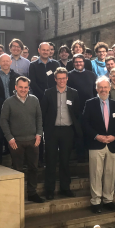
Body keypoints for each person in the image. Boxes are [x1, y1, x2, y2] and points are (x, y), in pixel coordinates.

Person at [82, 76, 115, 213]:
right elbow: (85, 124)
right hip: (96, 144)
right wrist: (97, 136)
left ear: (110, 88)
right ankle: (95, 202)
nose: (103, 89)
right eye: (100, 87)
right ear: (96, 89)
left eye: (106, 87)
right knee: (96, 173)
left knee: (110, 173)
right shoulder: (90, 104)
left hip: (112, 145)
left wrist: (114, 137)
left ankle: (108, 200)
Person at [0, 76, 44, 203]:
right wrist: (10, 138)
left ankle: (32, 193)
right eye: (21, 87)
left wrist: (39, 134)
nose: (23, 90)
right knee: (17, 169)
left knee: (33, 168)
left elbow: (39, 118)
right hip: (16, 142)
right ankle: (17, 195)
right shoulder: (8, 102)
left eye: (26, 87)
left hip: (33, 140)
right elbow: (3, 121)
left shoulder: (34, 100)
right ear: (15, 87)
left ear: (28, 88)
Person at [41, 68, 82, 200]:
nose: (62, 80)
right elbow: (43, 112)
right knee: (51, 161)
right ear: (55, 79)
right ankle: (49, 190)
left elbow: (77, 113)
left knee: (65, 161)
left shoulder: (73, 93)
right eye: (59, 78)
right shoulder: (48, 93)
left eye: (64, 78)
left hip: (67, 131)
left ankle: (65, 188)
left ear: (67, 78)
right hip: (52, 130)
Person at [29, 42, 60, 167]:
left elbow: (58, 81)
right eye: (44, 50)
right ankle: (40, 158)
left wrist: (51, 96)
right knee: (39, 130)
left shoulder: (55, 64)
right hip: (39, 100)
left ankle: (51, 158)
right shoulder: (33, 65)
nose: (46, 52)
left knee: (51, 130)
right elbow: (33, 82)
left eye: (48, 50)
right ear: (39, 50)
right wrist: (44, 95)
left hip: (54, 101)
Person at [0, 54, 20, 165]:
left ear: (10, 62)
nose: (5, 63)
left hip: (15, 110)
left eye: (7, 61)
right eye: (3, 61)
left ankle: (15, 162)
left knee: (14, 136)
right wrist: (6, 104)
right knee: (0, 136)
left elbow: (20, 93)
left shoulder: (17, 76)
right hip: (0, 111)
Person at [67, 54, 97, 162]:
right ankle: (80, 156)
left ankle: (90, 155)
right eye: (76, 62)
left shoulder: (91, 75)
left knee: (89, 131)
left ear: (84, 62)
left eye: (80, 61)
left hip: (90, 108)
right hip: (76, 108)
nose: (78, 63)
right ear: (73, 63)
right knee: (78, 132)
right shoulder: (69, 75)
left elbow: (95, 91)